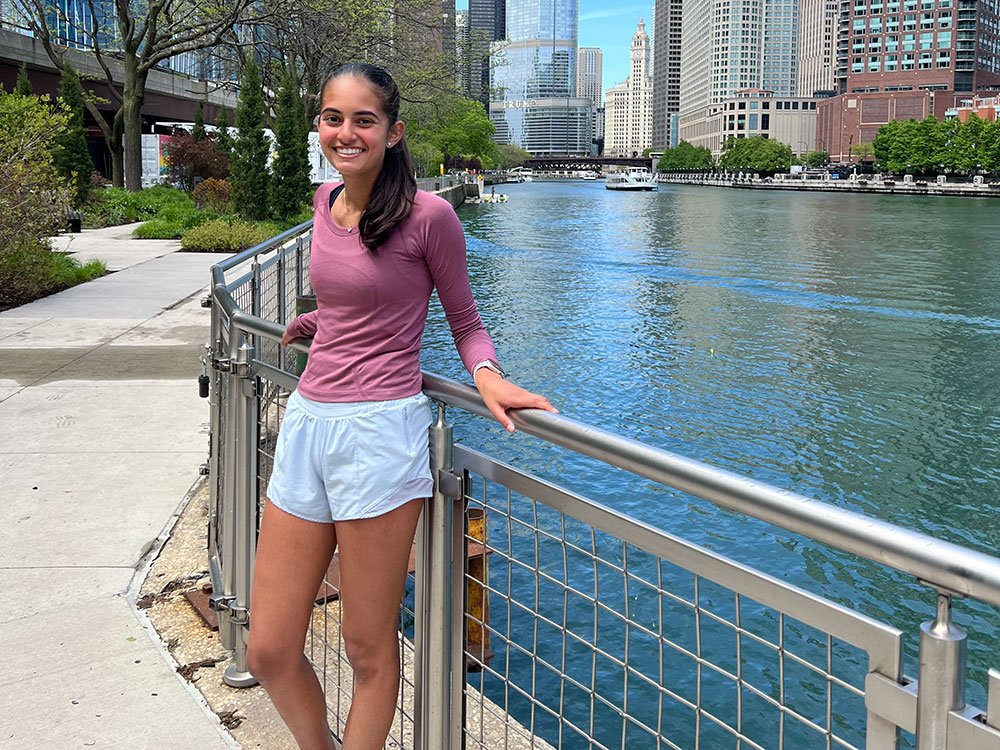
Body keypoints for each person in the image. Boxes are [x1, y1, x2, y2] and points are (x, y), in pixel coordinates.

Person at [246, 63, 556, 750]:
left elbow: (465, 320)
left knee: (367, 649)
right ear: (319, 124)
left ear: (393, 132)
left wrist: (486, 374)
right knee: (266, 649)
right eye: (334, 117)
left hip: (380, 435)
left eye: (364, 120)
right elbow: (347, 296)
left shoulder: (429, 216)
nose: (346, 132)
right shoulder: (325, 205)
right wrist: (321, 325)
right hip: (307, 424)